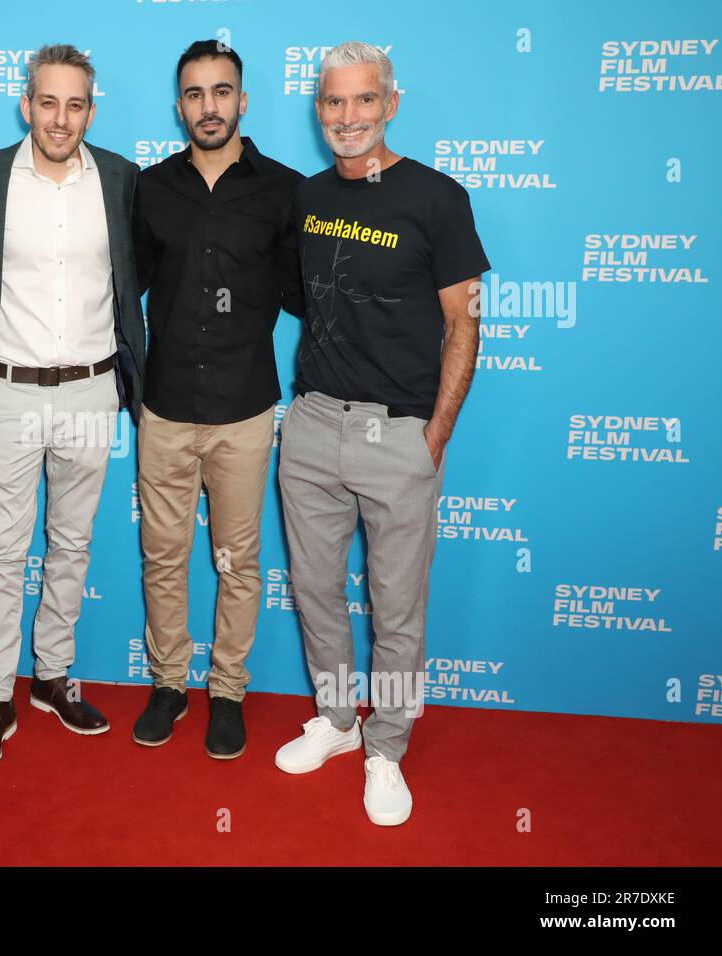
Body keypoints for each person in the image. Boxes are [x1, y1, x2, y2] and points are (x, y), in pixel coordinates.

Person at [273, 41, 489, 825]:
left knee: (397, 608)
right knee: (314, 590)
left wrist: (434, 434)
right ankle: (336, 720)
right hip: (312, 423)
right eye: (334, 102)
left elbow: (463, 323)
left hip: (399, 436)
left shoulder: (436, 198)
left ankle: (386, 746)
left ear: (390, 105)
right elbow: (310, 299)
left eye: (364, 101)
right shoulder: (306, 197)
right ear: (318, 110)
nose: (348, 117)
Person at [0, 44, 147, 770]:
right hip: (7, 388)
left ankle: (53, 676)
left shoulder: (122, 180)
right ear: (26, 103)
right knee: (3, 552)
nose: (60, 118)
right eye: (47, 102)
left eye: (75, 105)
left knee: (72, 543)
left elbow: (138, 276)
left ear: (90, 110)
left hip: (94, 388)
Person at [130, 40, 303, 759]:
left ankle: (227, 690)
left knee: (237, 559)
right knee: (162, 556)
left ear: (243, 100)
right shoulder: (150, 188)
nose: (209, 106)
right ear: (180, 107)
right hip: (165, 407)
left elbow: (308, 297)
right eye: (195, 94)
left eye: (222, 91)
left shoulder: (286, 190)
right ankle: (169, 682)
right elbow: (121, 289)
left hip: (244, 410)